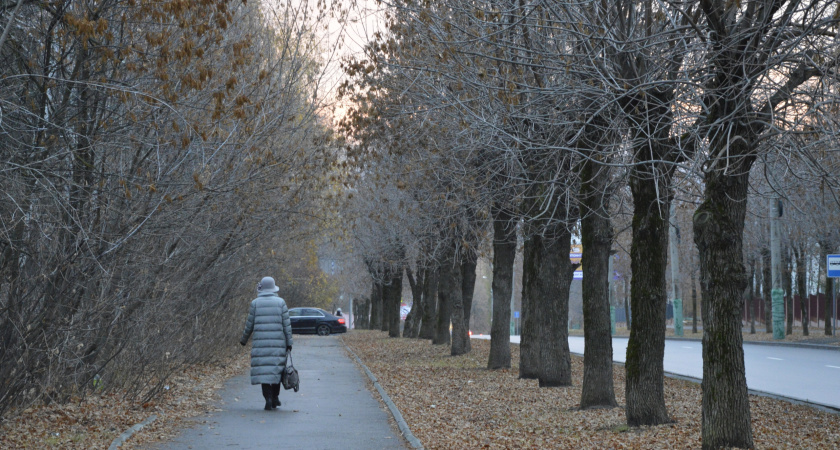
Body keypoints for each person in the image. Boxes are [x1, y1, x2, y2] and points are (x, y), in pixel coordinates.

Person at [240, 276, 293, 411]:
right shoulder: (281, 302)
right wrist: (289, 343)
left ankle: (268, 398)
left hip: (260, 345)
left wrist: (244, 340)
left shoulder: (255, 303)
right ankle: (275, 397)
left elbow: (249, 325)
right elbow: (287, 326)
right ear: (273, 288)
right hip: (278, 345)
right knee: (276, 371)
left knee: (264, 372)